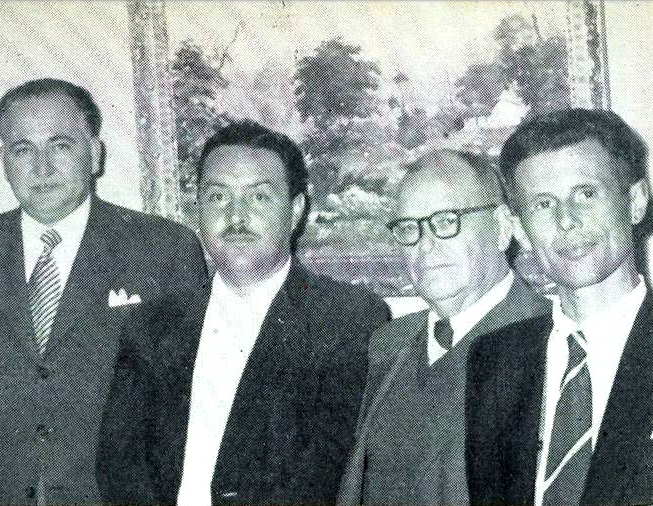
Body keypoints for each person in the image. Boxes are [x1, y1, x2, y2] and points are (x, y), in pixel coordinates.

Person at [0, 78, 208, 505]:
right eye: (22, 150)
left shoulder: (164, 248)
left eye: (60, 146)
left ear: (94, 154)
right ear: (4, 161)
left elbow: (191, 400)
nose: (42, 168)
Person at [98, 120, 390, 506]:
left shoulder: (347, 319)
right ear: (198, 209)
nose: (236, 216)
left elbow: (327, 473)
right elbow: (119, 466)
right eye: (218, 197)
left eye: (259, 197)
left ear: (296, 211)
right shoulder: (152, 325)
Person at [336, 150, 548, 506]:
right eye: (409, 228)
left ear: (502, 228)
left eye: (447, 221)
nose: (426, 244)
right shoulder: (388, 342)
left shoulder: (551, 342)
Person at [466, 108, 653, 506]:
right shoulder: (496, 360)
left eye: (586, 194)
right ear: (520, 229)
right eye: (543, 204)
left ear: (635, 202)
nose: (566, 220)